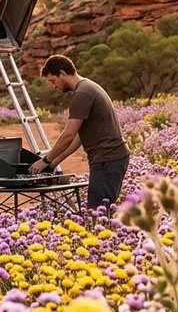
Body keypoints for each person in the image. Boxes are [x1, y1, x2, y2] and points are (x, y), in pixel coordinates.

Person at [28, 54, 129, 210]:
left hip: (107, 159)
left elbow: (68, 135)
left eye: (53, 81)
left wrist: (45, 161)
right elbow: (77, 139)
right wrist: (54, 162)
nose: (53, 86)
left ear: (62, 73)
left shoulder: (82, 94)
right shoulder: (87, 87)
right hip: (110, 158)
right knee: (101, 210)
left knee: (98, 211)